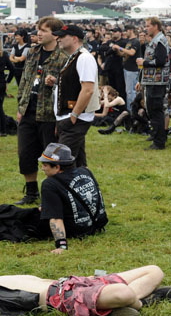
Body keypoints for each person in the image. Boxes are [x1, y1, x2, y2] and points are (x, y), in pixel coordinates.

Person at [0, 265, 171, 316]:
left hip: (75, 282)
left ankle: (128, 303)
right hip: (65, 298)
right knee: (123, 292)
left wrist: (89, 280)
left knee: (155, 271)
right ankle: (139, 303)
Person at [14, 18, 69, 205]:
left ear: (55, 34)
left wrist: (57, 82)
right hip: (29, 110)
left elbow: (70, 85)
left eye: (43, 30)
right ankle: (31, 192)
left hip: (49, 114)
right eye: (38, 30)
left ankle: (52, 192)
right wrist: (21, 105)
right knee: (25, 153)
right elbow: (25, 80)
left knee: (51, 155)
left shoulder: (64, 56)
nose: (39, 33)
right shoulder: (33, 52)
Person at [37, 142, 108, 254]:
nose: (42, 168)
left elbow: (55, 218)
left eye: (45, 165)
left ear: (57, 167)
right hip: (97, 224)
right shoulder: (85, 171)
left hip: (76, 229)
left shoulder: (50, 184)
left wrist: (61, 245)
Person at [51, 24, 100, 169]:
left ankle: (67, 191)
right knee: (77, 164)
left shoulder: (84, 58)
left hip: (76, 118)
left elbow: (87, 90)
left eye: (62, 36)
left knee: (61, 164)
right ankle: (85, 190)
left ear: (74, 39)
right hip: (70, 117)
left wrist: (73, 115)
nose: (58, 39)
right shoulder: (74, 57)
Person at [136, 17, 171, 150]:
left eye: (148, 25)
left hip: (158, 82)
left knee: (156, 110)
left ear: (156, 26)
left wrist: (143, 63)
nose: (146, 28)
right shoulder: (155, 41)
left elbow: (161, 61)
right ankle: (157, 136)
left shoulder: (160, 41)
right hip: (153, 80)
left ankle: (159, 141)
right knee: (152, 110)